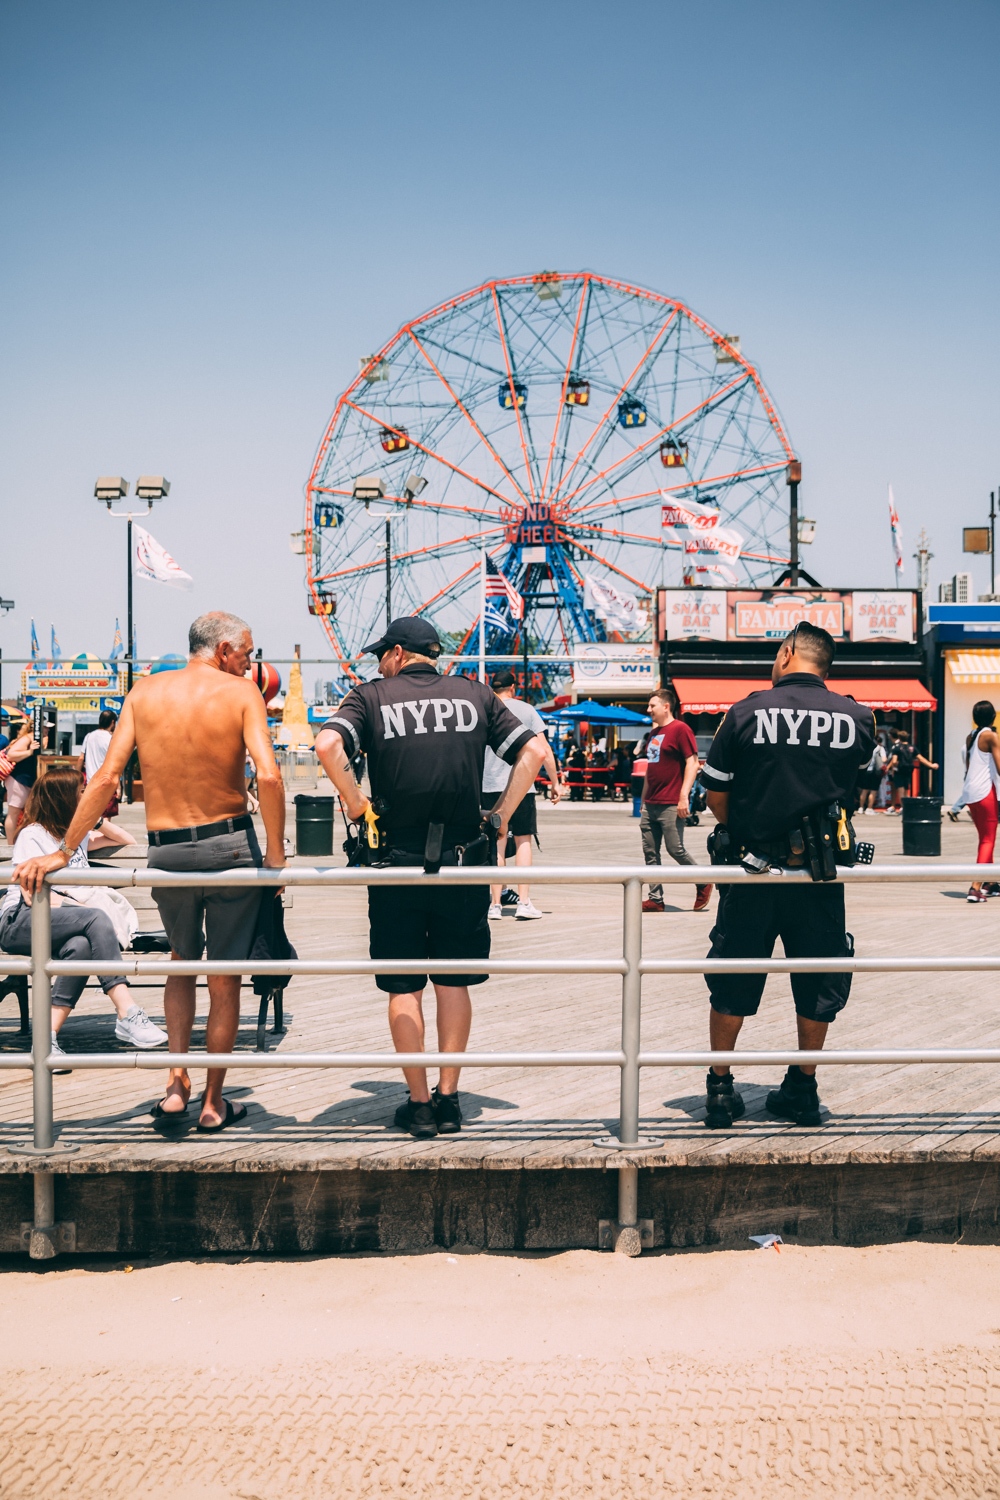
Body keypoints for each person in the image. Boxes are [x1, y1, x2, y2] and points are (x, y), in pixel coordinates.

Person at [14, 611, 286, 1132]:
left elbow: (105, 780)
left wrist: (63, 850)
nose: (251, 663)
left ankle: (176, 1084)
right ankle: (212, 1102)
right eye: (248, 653)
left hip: (167, 852)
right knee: (224, 977)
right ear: (224, 649)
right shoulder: (241, 694)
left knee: (181, 962)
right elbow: (270, 778)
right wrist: (274, 856)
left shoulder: (143, 693)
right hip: (229, 846)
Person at [315, 615, 546, 1140]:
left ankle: (418, 1104)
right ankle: (449, 1097)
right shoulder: (475, 695)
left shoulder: (371, 697)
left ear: (398, 653)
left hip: (395, 859)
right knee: (454, 980)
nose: (379, 664)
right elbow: (534, 751)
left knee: (403, 986)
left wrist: (357, 807)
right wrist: (504, 814)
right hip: (463, 861)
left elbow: (328, 747)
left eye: (382, 654)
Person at [698, 620, 875, 1130]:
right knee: (821, 978)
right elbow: (848, 786)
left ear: (788, 652)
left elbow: (715, 795)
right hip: (820, 875)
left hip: (754, 870)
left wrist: (750, 829)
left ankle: (720, 1089)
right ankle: (803, 1086)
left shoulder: (746, 711)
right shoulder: (856, 717)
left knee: (733, 975)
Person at [0, 766, 163, 1061]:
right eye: (81, 792)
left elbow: (127, 841)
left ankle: (46, 1040)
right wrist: (81, 912)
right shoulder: (33, 836)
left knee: (81, 947)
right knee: (95, 917)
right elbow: (29, 895)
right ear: (63, 798)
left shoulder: (74, 837)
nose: (87, 795)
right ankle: (127, 1010)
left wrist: (94, 818)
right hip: (20, 920)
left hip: (59, 921)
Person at [481, 669, 559, 921]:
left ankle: (494, 904)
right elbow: (543, 750)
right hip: (522, 785)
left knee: (496, 843)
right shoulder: (526, 710)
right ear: (512, 687)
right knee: (523, 840)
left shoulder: (484, 709)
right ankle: (524, 902)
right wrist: (555, 782)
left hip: (488, 786)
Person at [639, 689, 711, 914]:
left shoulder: (681, 729)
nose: (648, 709)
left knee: (675, 849)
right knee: (650, 853)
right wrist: (643, 801)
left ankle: (703, 881)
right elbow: (650, 770)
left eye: (652, 706)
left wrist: (683, 798)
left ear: (666, 707)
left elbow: (692, 764)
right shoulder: (653, 734)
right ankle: (655, 899)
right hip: (650, 803)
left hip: (671, 802)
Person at [954, 701, 1000, 903]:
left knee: (984, 839)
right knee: (988, 840)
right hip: (985, 792)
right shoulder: (990, 736)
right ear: (993, 717)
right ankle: (975, 888)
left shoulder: (971, 736)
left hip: (971, 793)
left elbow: (970, 765)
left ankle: (989, 883)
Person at [3, 719, 40, 845]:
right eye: (45, 727)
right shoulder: (27, 738)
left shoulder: (31, 738)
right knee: (14, 813)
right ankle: (10, 844)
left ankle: (17, 842)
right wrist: (30, 752)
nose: (48, 730)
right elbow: (11, 755)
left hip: (26, 780)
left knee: (26, 814)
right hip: (18, 779)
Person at [82, 709, 121, 819]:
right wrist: (118, 787)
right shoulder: (111, 739)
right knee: (106, 817)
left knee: (92, 816)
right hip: (106, 782)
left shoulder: (89, 736)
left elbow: (81, 758)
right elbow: (116, 763)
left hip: (90, 782)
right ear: (112, 722)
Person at [886, 729, 937, 811]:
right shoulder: (912, 748)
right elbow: (921, 758)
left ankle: (903, 807)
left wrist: (892, 767)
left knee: (900, 788)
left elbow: (894, 761)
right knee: (906, 788)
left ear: (899, 737)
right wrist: (931, 765)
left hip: (900, 770)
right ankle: (907, 806)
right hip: (909, 769)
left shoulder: (897, 748)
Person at [856, 732, 888, 815]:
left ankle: (861, 807)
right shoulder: (880, 748)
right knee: (873, 791)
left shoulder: (867, 747)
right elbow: (884, 760)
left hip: (866, 770)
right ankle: (869, 808)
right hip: (875, 772)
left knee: (864, 790)